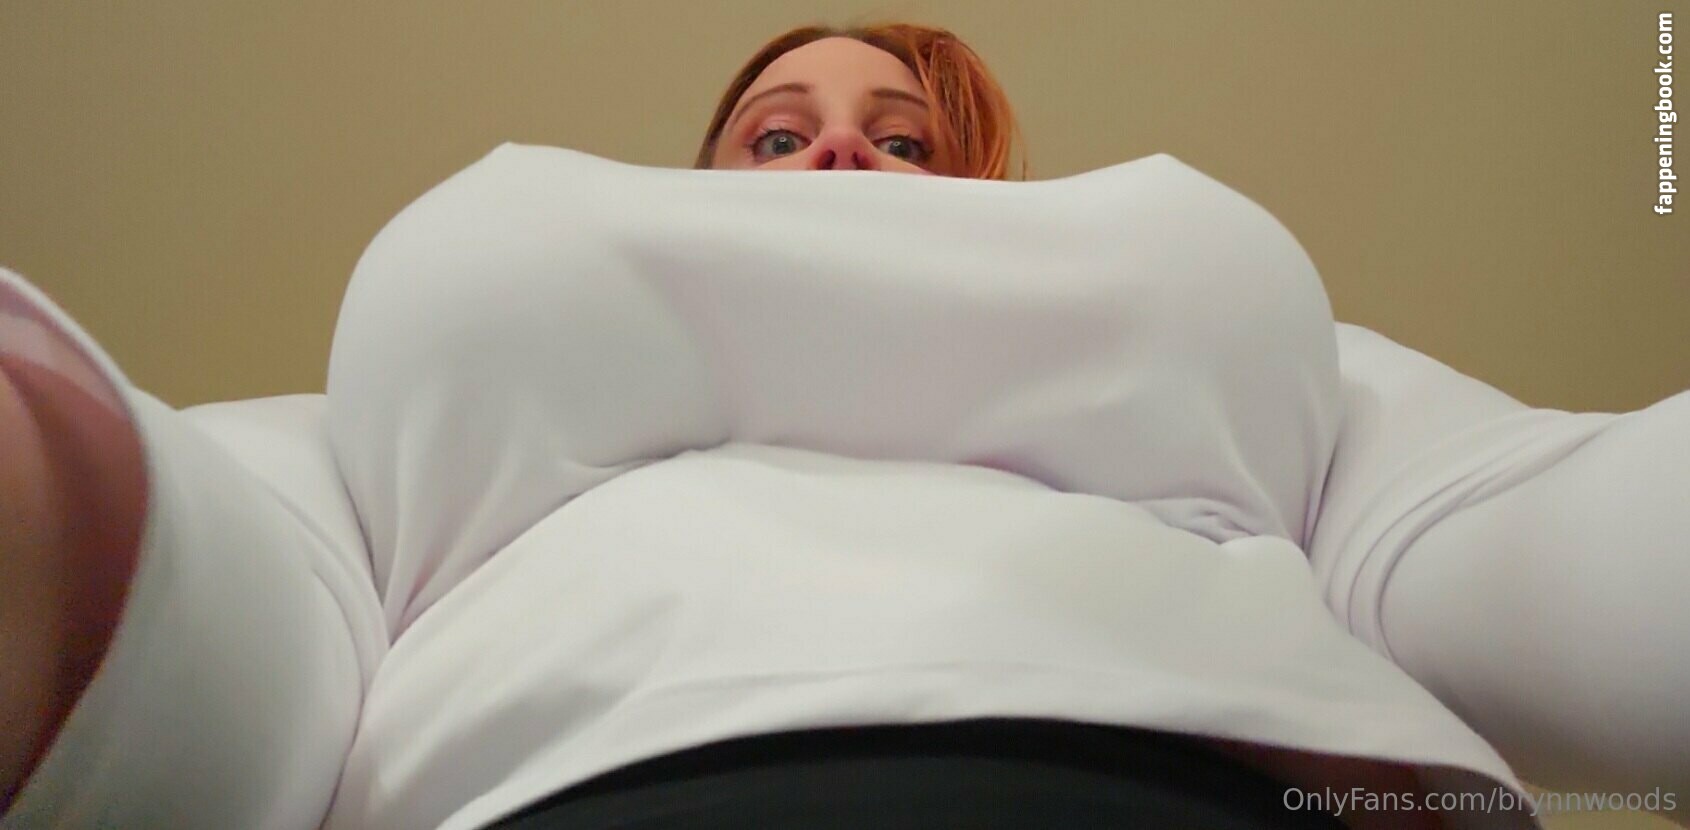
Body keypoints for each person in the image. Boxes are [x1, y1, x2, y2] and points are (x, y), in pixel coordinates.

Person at [2, 20, 1686, 830]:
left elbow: (1517, 527)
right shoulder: (416, 429)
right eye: (775, 131)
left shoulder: (1284, 383)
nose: (838, 156)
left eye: (904, 136)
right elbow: (224, 592)